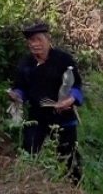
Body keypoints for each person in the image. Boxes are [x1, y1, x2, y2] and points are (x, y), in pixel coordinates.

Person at [7, 20, 84, 183]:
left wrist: (70, 100)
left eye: (38, 40)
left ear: (47, 40)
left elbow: (76, 85)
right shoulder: (26, 64)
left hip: (64, 117)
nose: (35, 44)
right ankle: (26, 185)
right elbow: (21, 88)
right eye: (31, 41)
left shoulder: (63, 60)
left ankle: (74, 193)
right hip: (38, 115)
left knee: (68, 157)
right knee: (28, 149)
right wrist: (16, 95)